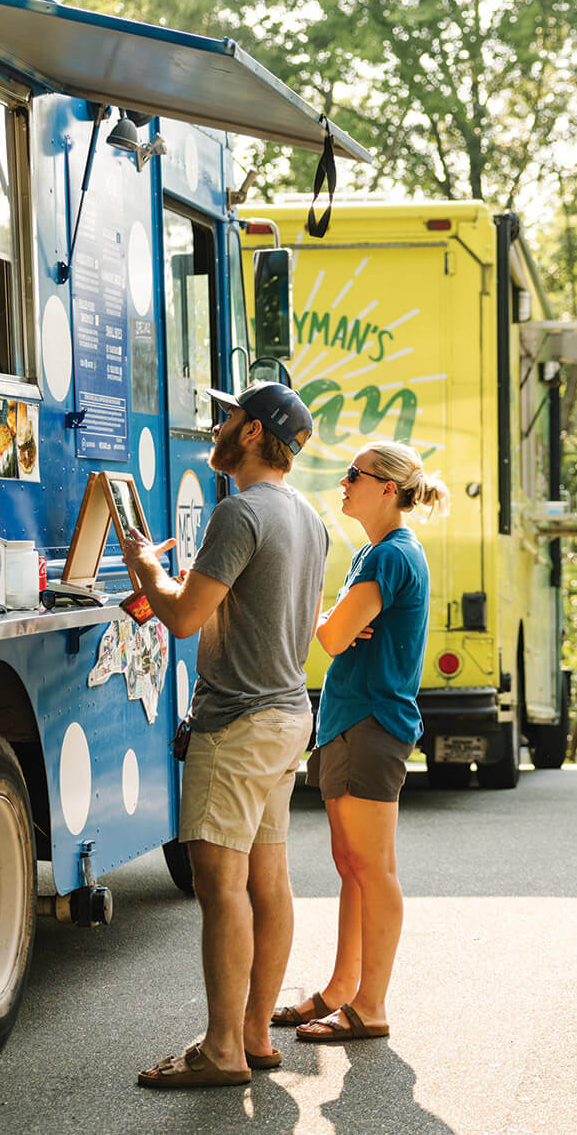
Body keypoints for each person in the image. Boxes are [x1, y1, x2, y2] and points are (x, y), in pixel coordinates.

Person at [123, 381, 328, 1089]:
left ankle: (220, 1050)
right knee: (269, 880)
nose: (217, 423)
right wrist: (186, 584)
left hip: (237, 722)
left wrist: (145, 564)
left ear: (249, 434)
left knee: (220, 885)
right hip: (286, 714)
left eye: (228, 414)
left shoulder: (240, 513)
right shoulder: (307, 514)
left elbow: (181, 620)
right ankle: (251, 1034)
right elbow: (239, 605)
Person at [274, 440, 449, 1044]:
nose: (343, 482)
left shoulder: (390, 556)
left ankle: (369, 1006)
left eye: (355, 474)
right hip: (352, 723)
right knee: (352, 867)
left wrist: (329, 620)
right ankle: (339, 992)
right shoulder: (378, 553)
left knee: (373, 870)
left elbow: (330, 637)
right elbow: (339, 633)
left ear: (387, 489)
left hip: (371, 725)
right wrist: (336, 623)